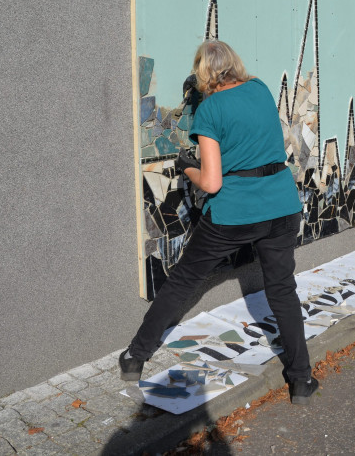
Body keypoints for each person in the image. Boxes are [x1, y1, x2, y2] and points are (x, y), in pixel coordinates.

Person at [120, 40, 318, 404]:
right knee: (282, 291)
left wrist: (186, 165)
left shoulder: (209, 110)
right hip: (281, 206)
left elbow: (212, 182)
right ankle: (302, 380)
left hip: (236, 214)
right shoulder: (259, 88)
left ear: (204, 73)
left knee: (182, 281)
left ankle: (135, 357)